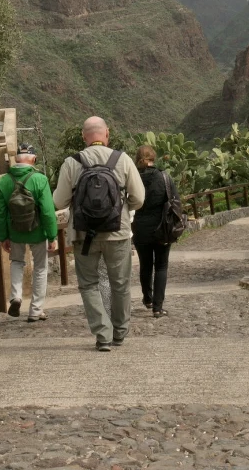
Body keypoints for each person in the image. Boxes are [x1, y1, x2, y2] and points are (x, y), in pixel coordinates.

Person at [53, 116, 145, 352]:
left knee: (89, 285)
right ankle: (119, 332)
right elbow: (139, 198)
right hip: (118, 232)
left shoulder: (72, 162)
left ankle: (102, 335)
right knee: (120, 283)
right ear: (107, 134)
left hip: (84, 235)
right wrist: (122, 210)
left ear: (84, 137)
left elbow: (59, 201)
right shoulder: (122, 160)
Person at [0, 143, 58, 322]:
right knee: (40, 268)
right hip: (37, 231)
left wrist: (3, 236)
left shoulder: (4, 181)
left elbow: (0, 212)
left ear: (16, 160)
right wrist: (52, 235)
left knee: (16, 262)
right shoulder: (40, 179)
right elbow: (47, 211)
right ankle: (36, 310)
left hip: (15, 232)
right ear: (33, 159)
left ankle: (15, 296)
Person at [130, 144, 176, 318]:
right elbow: (175, 200)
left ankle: (147, 299)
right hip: (162, 228)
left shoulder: (132, 178)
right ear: (153, 158)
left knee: (146, 265)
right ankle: (158, 307)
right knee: (161, 266)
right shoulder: (164, 177)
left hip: (140, 228)